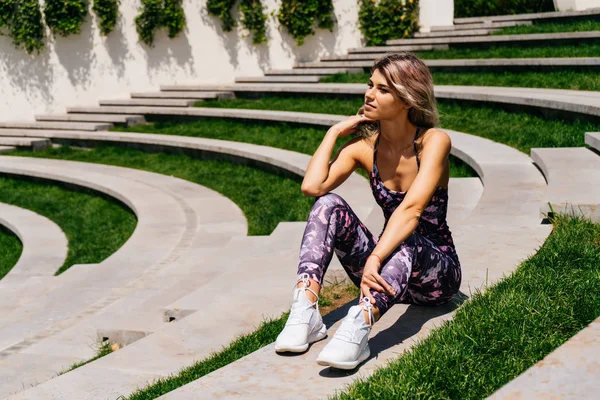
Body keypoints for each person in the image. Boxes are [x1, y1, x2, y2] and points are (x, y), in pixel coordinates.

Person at [274, 52, 462, 370]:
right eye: (370, 85)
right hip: (386, 271)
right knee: (328, 205)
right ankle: (304, 310)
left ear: (407, 99)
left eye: (383, 89)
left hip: (435, 274)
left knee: (409, 238)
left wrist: (375, 257)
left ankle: (358, 325)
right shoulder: (364, 149)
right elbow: (313, 187)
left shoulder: (434, 141)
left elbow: (412, 210)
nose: (369, 94)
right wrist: (332, 133)